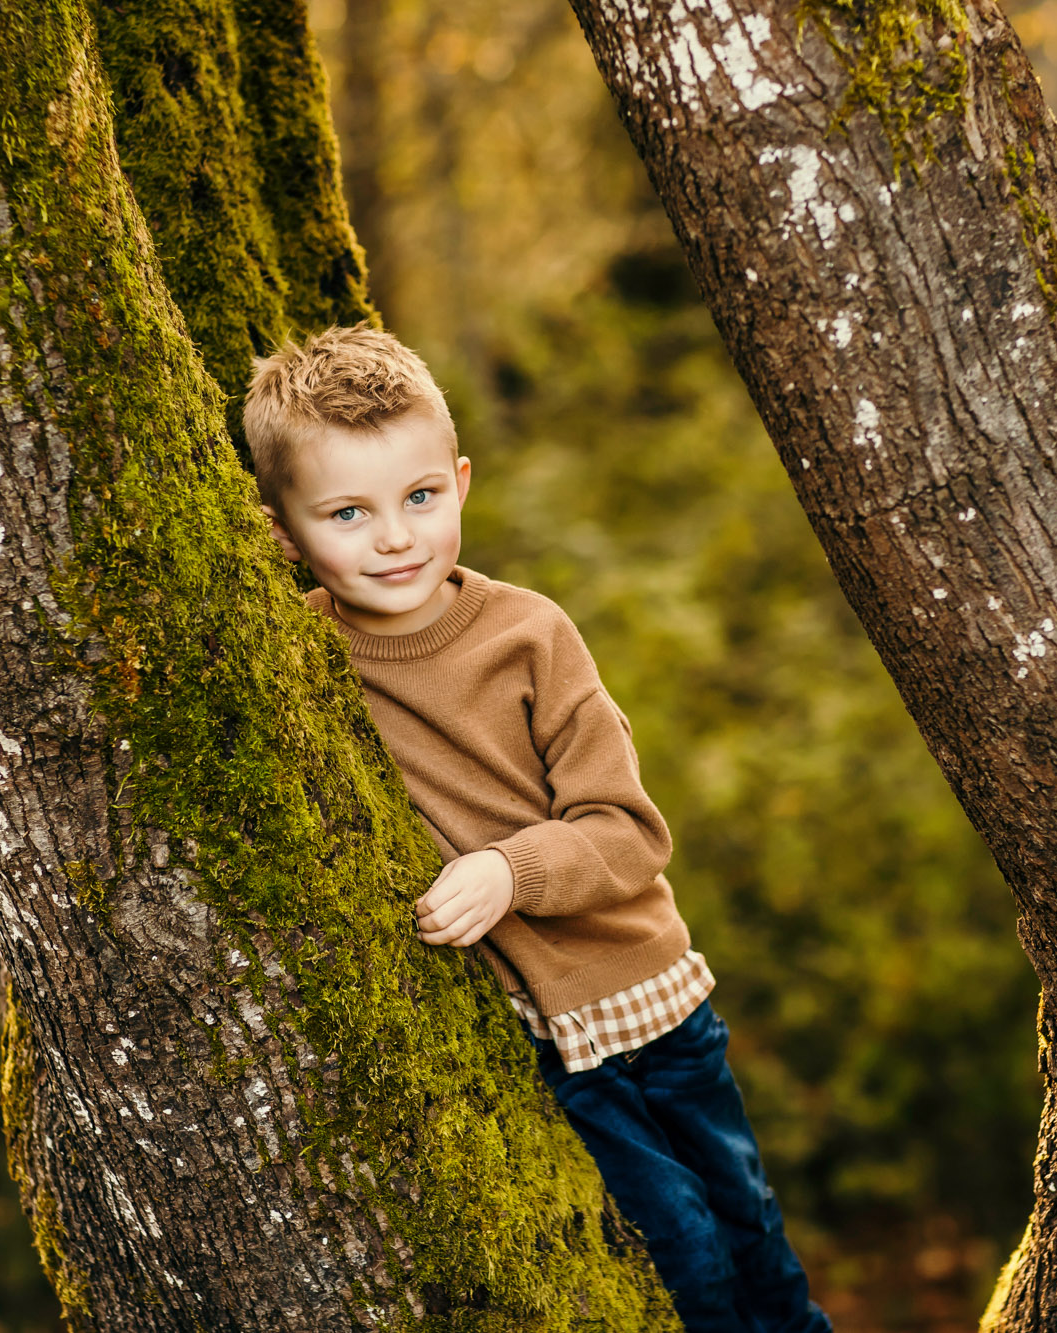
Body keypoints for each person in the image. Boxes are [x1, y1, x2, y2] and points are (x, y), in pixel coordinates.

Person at [244, 325, 833, 1333]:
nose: (395, 538)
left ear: (460, 482)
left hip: (652, 1003)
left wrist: (510, 871)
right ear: (284, 532)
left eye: (419, 497)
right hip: (548, 1045)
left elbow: (627, 829)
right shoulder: (300, 658)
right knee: (679, 1253)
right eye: (348, 513)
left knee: (750, 1235)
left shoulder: (528, 634)